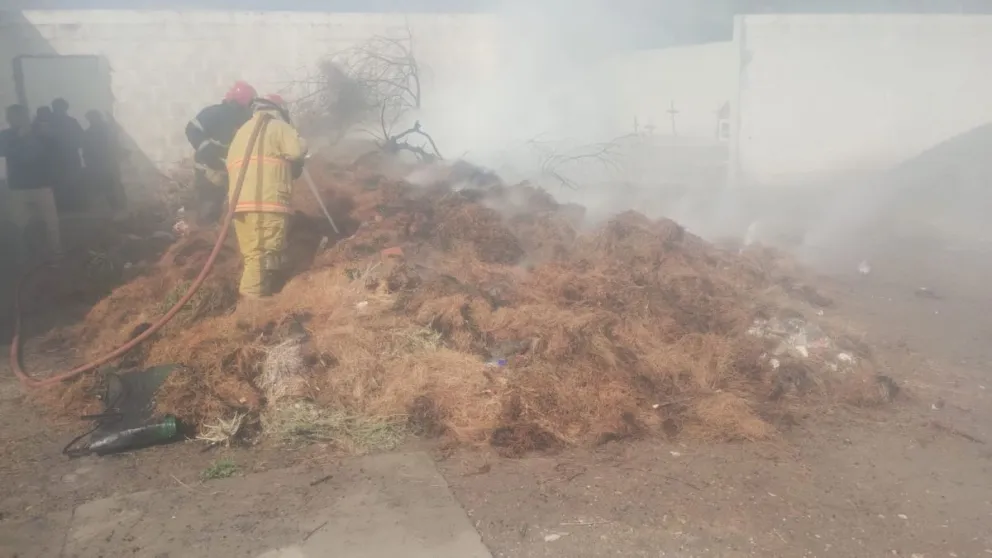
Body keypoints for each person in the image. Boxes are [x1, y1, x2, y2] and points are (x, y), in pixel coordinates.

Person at [226, 95, 307, 299]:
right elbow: (297, 151)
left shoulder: (242, 131)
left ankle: (261, 294)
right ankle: (252, 310)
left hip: (240, 205)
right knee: (262, 256)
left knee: (253, 256)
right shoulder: (278, 126)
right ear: (279, 110)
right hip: (266, 203)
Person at [185, 81, 256, 227]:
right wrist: (208, 151)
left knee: (233, 211)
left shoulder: (247, 119)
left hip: (231, 171)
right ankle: (204, 241)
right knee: (209, 208)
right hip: (210, 172)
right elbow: (192, 129)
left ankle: (222, 238)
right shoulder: (214, 113)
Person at [0, 104, 62, 265]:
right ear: (9, 118)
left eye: (19, 115)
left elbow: (55, 148)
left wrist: (46, 133)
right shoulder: (6, 135)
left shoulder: (38, 133)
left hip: (41, 185)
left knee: (51, 224)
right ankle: (26, 258)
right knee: (21, 226)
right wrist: (19, 138)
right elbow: (3, 150)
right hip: (18, 188)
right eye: (12, 116)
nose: (15, 119)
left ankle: (56, 255)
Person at [81, 110, 126, 214]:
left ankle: (120, 206)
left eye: (93, 118)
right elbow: (86, 149)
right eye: (90, 118)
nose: (92, 120)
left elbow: (117, 143)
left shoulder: (106, 129)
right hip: (102, 163)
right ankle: (116, 207)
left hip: (109, 161)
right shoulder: (93, 132)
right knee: (108, 185)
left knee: (116, 183)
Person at [49, 98, 85, 210]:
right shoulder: (48, 122)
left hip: (69, 157)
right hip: (56, 158)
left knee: (72, 181)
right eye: (57, 107)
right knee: (59, 183)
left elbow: (81, 139)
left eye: (61, 107)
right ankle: (65, 206)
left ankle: (74, 206)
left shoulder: (71, 121)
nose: (59, 109)